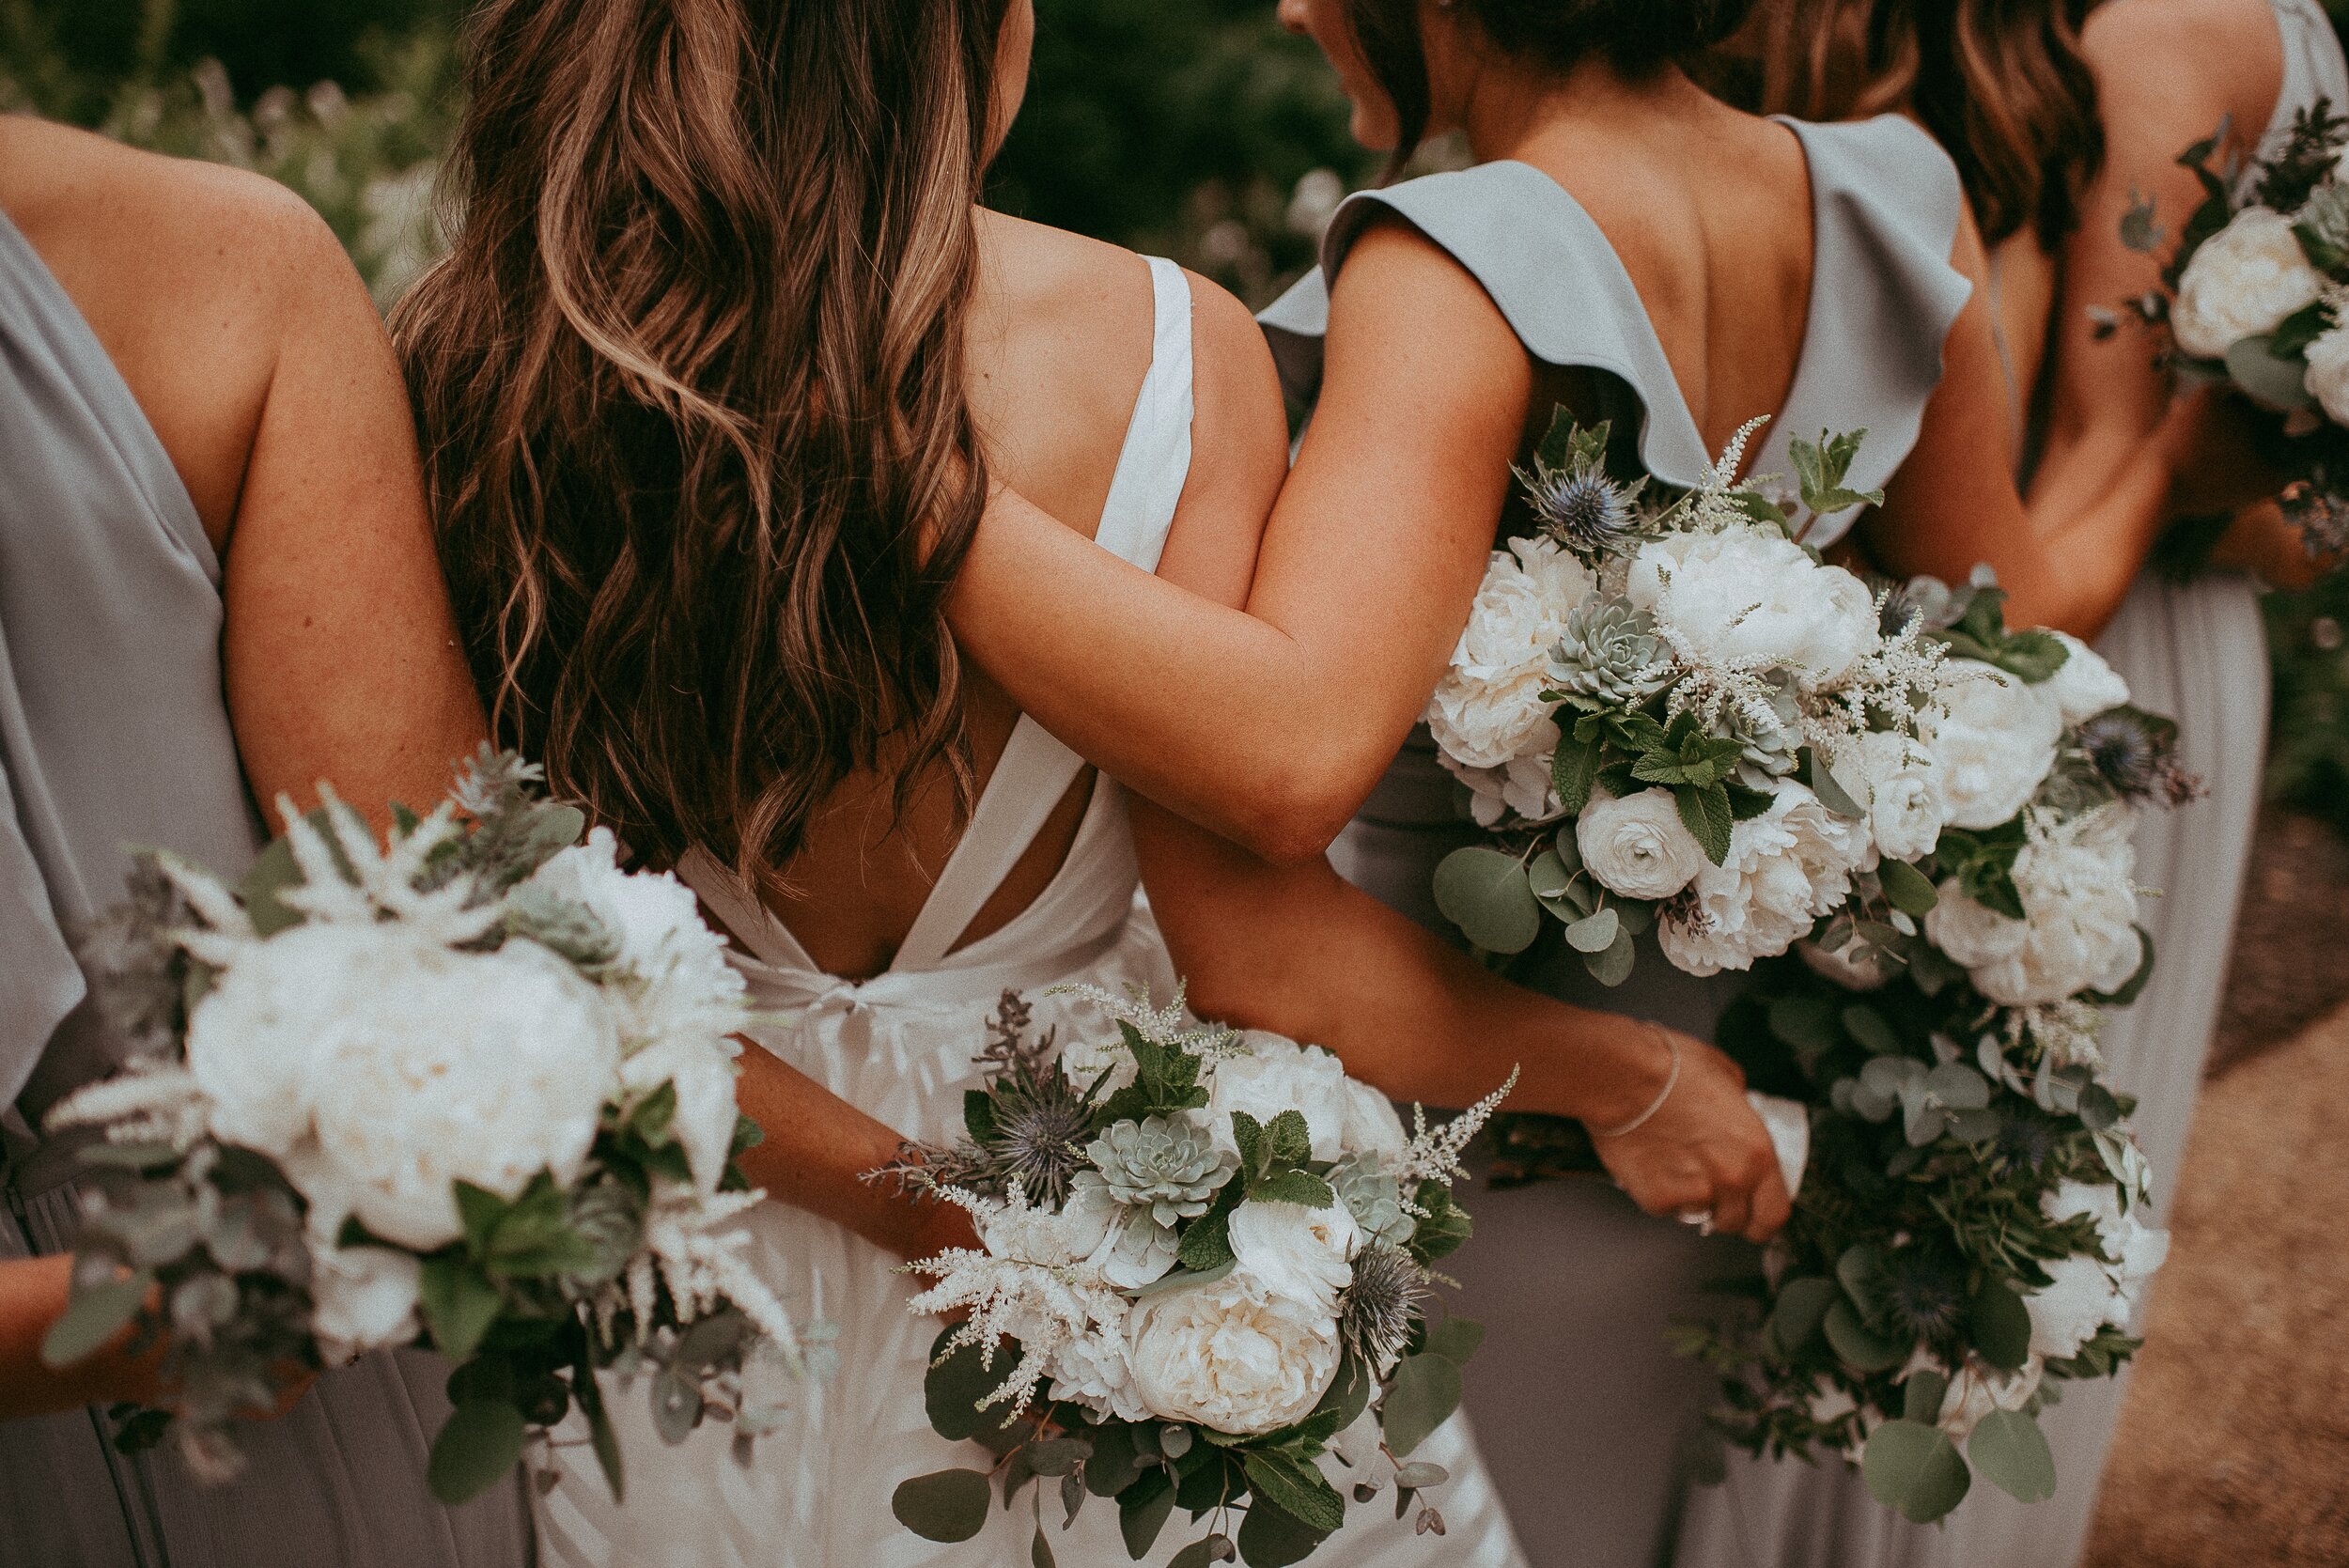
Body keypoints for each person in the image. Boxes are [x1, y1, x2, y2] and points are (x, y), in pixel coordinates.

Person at [923, 1, 2215, 1563]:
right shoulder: (1893, 192)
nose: (1291, 7)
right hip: (1738, 1130)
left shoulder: (1453, 263)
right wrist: (2173, 431)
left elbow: (1279, 814)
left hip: (1484, 1134)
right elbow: (1999, 605)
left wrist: (906, 487)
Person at [1697, 2, 2347, 1564]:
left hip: (2076, 674)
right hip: (2132, 629)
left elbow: (2034, 548)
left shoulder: (2149, 39)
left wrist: (2201, 463)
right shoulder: (2253, 32)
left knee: (1990, 1188)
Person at [0, 114, 523, 1566]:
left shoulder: (231, 271)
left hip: (289, 1361)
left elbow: (444, 957)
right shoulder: (214, 269)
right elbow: (443, 950)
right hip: (288, 1324)